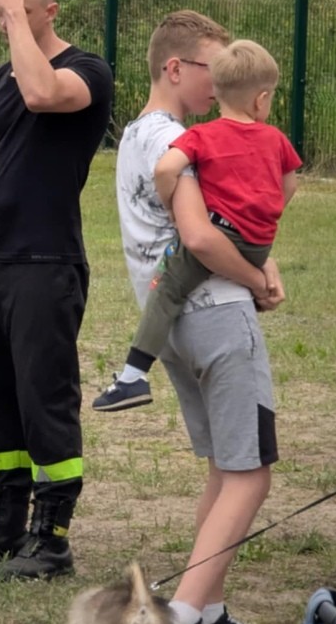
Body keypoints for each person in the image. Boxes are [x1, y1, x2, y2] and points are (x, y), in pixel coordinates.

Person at [110, 11, 285, 624]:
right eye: (214, 67)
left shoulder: (136, 133)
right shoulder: (176, 144)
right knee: (250, 477)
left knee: (224, 468)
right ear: (175, 67)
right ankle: (181, 615)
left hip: (177, 326)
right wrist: (259, 278)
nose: (221, 82)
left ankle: (207, 613)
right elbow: (201, 238)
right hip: (218, 318)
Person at [0, 0, 112, 581]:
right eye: (1, 13)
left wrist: (13, 14)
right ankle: (6, 523)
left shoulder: (86, 71)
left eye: (18, 11)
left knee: (46, 402)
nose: (6, 22)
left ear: (50, 12)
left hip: (47, 263)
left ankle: (53, 537)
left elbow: (42, 93)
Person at [94, 38, 299, 412]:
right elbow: (290, 182)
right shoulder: (276, 138)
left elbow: (166, 169)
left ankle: (132, 377)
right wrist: (266, 213)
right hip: (259, 244)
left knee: (168, 287)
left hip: (218, 235)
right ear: (261, 99)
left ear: (218, 92)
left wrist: (173, 206)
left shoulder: (199, 136)